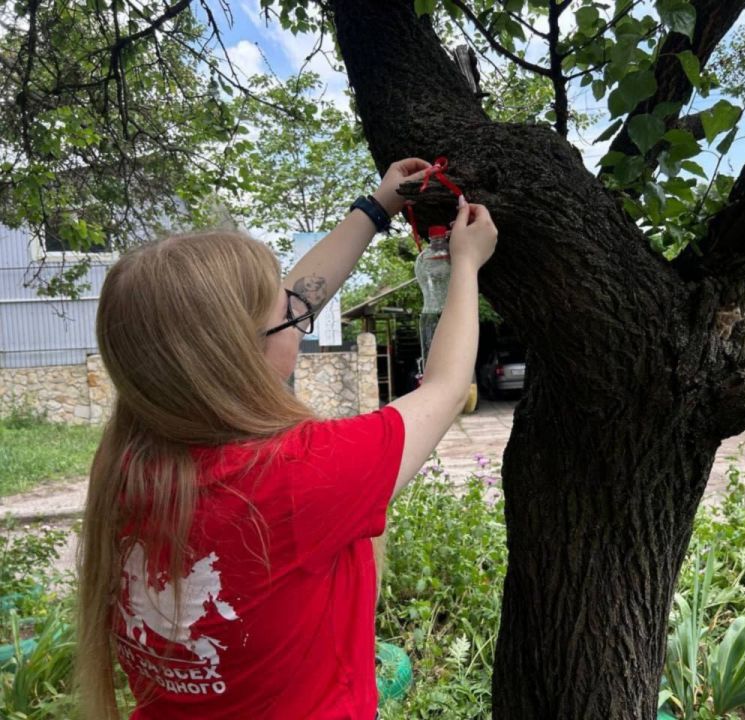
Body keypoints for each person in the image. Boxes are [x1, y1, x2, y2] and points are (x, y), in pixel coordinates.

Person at [74, 157, 499, 719]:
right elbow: (445, 388)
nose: (298, 314)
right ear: (243, 354)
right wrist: (464, 268)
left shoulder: (129, 462)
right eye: (286, 314)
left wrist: (378, 207)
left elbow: (277, 310)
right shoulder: (298, 474)